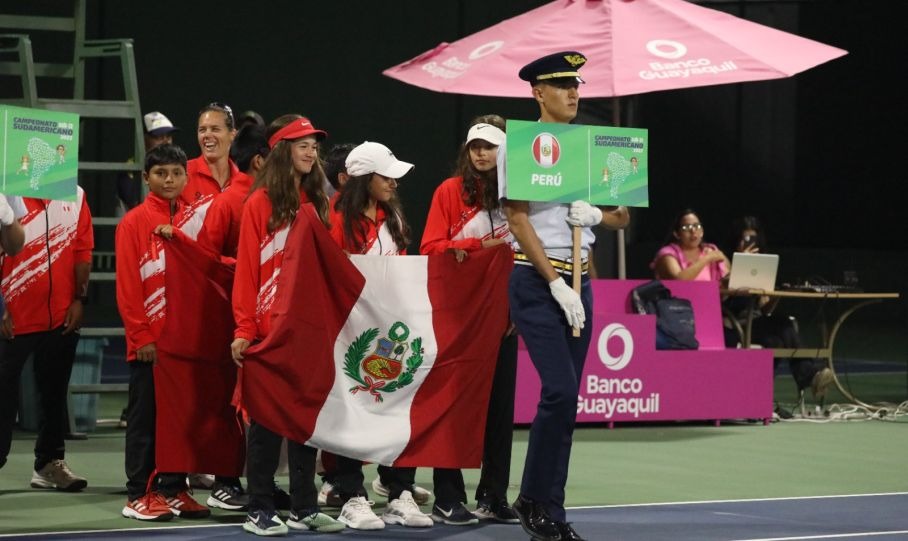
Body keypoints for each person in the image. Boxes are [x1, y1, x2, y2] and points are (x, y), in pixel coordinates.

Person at [498, 51, 629, 541]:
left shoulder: (594, 148)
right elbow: (516, 218)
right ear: (538, 92)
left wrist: (596, 216)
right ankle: (536, 499)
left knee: (568, 401)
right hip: (536, 281)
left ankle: (545, 503)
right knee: (560, 390)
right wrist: (552, 282)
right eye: (561, 85)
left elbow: (623, 216)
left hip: (582, 283)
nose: (574, 93)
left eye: (577, 84)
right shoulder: (522, 145)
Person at [231, 114, 343, 536]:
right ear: (282, 152)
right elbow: (246, 272)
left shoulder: (318, 203)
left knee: (304, 420)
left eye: (314, 145)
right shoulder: (259, 204)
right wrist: (244, 328)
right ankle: (259, 506)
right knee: (265, 422)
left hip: (306, 329)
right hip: (265, 328)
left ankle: (304, 506)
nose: (311, 152)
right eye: (302, 145)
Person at [419, 116, 520, 526]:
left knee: (499, 412)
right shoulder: (449, 192)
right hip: (459, 320)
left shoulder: (517, 197)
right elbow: (432, 247)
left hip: (504, 320)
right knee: (455, 407)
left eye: (490, 146)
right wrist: (477, 245)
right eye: (475, 146)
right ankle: (447, 496)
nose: (481, 153)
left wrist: (516, 308)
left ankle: (494, 496)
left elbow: (521, 257)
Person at [328, 141, 434, 530]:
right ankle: (352, 496)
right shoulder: (336, 220)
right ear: (362, 179)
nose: (393, 182)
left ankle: (399, 493)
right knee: (353, 413)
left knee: (404, 410)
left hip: (394, 332)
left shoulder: (395, 219)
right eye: (385, 176)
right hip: (352, 332)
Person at [115, 143, 211, 522]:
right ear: (146, 178)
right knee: (146, 420)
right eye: (160, 174)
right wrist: (142, 337)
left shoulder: (195, 220)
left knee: (181, 420)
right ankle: (139, 492)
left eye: (175, 173)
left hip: (186, 342)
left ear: (187, 176)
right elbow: (127, 286)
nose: (169, 180)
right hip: (151, 344)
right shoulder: (133, 222)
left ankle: (173, 488)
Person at [0, 185, 94, 492]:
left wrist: (80, 299)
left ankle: (49, 464)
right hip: (11, 318)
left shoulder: (76, 194)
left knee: (54, 395)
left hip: (60, 316)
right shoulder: (7, 193)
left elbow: (82, 248)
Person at [723, 216, 833, 408]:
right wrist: (740, 265)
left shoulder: (761, 267)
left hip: (755, 322)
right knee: (784, 326)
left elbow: (765, 309)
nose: (748, 244)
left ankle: (760, 400)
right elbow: (721, 297)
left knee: (776, 339)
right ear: (736, 241)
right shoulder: (725, 263)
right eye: (744, 239)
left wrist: (776, 295)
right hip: (734, 324)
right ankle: (809, 375)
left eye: (753, 240)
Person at [181, 102, 243, 239]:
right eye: (202, 130)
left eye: (215, 129)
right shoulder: (182, 173)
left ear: (232, 134)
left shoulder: (243, 181)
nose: (207, 135)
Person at [116, 111, 180, 213]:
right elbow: (134, 202)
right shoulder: (131, 167)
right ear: (143, 138)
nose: (166, 141)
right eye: (159, 137)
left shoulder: (179, 166)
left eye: (168, 136)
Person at [652, 208, 729, 283]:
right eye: (686, 227)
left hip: (709, 296)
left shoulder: (711, 250)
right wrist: (707, 258)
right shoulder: (667, 254)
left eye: (697, 226)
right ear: (677, 234)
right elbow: (680, 280)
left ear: (702, 231)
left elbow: (729, 278)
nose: (693, 231)